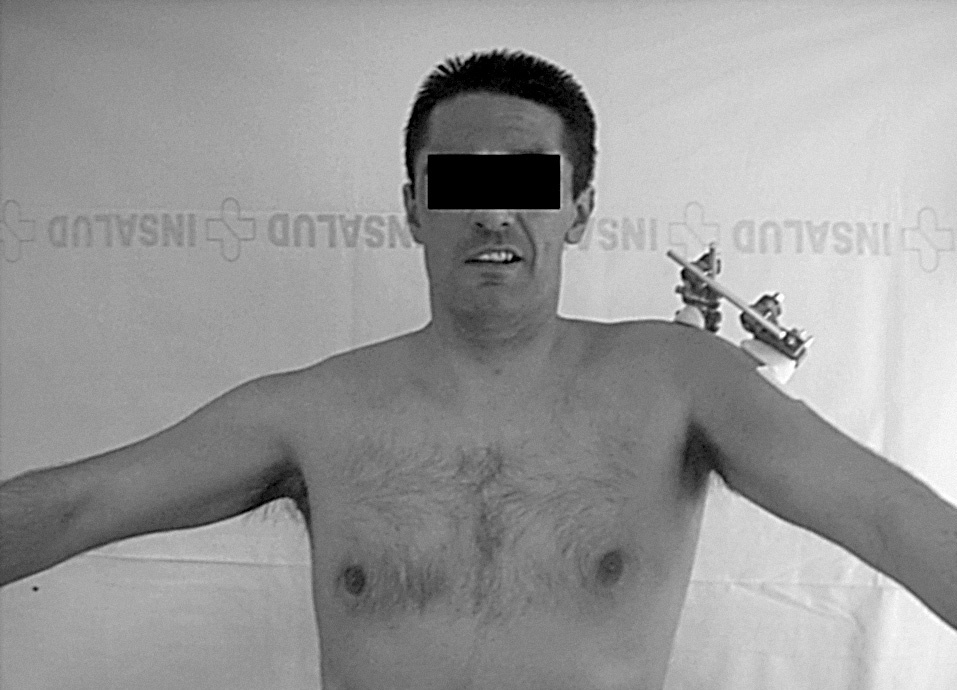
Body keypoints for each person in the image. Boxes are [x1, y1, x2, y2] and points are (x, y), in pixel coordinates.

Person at [1, 47, 955, 690]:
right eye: (460, 183)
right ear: (414, 207)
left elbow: (889, 518)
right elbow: (79, 506)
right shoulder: (312, 411)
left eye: (525, 183)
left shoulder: (679, 381)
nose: (493, 214)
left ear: (578, 209)